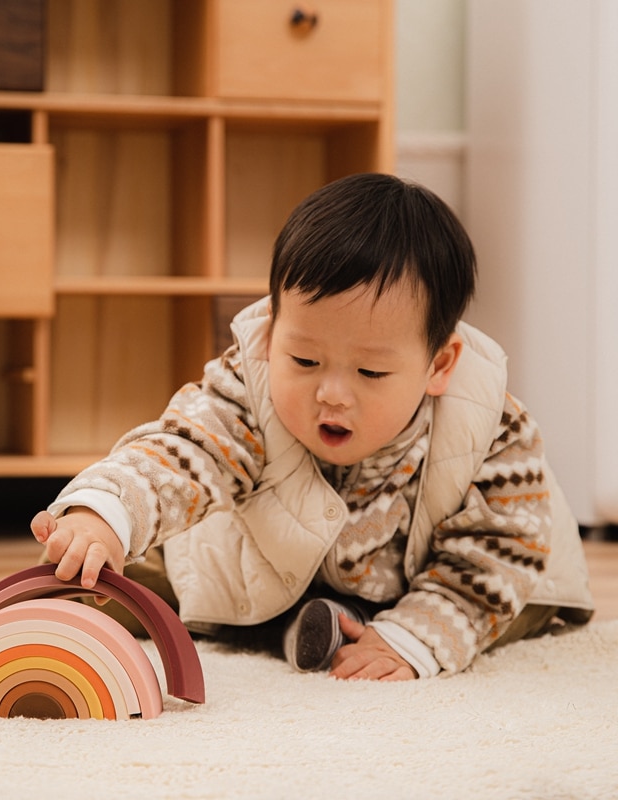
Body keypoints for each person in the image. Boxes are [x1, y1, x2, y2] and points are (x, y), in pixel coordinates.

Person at [31, 173, 593, 681]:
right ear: (272, 333)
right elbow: (183, 452)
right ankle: (309, 624)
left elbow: (499, 549)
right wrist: (107, 514)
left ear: (439, 365)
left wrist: (414, 638)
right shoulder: (248, 388)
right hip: (280, 563)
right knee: (134, 570)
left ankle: (348, 627)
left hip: (453, 572)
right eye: (303, 360)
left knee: (514, 604)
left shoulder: (491, 428)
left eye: (370, 372)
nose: (331, 393)